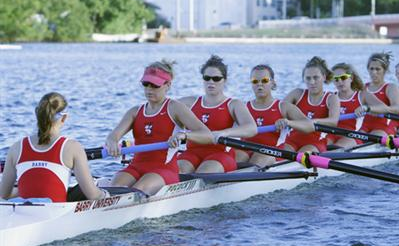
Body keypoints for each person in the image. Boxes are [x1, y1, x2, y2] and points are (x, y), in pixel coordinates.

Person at [105, 61, 213, 195]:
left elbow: (207, 135)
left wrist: (184, 135)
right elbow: (113, 136)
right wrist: (112, 143)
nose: (149, 89)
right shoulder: (134, 111)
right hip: (135, 167)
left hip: (164, 170)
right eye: (146, 84)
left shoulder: (175, 108)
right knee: (113, 190)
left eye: (155, 85)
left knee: (138, 191)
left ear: (168, 85)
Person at [0, 92, 107, 203]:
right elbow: (93, 195)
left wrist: (26, 188)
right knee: (100, 184)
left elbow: (3, 194)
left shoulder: (16, 148)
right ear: (64, 118)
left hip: (22, 213)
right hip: (55, 214)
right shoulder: (73, 147)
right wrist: (106, 195)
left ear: (37, 114)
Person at [178, 55, 257, 173]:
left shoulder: (233, 104)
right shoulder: (188, 103)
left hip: (221, 154)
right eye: (207, 78)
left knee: (203, 172)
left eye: (216, 78)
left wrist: (224, 132)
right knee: (179, 171)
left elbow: (252, 128)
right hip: (191, 153)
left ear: (224, 80)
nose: (211, 82)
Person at [235, 64, 306, 167]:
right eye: (255, 81)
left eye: (264, 80)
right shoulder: (243, 107)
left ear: (272, 83)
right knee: (236, 156)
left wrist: (289, 122)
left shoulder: (284, 107)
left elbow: (309, 125)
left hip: (273, 153)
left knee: (259, 158)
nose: (260, 84)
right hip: (246, 149)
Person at [282, 56, 340, 153]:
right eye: (308, 78)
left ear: (324, 77)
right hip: (291, 140)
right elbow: (278, 110)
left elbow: (333, 122)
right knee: (279, 156)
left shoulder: (331, 98)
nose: (312, 82)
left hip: (315, 143)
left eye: (316, 77)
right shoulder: (297, 94)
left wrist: (310, 122)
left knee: (303, 155)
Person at [328, 63, 391, 148]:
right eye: (336, 79)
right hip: (331, 134)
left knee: (335, 148)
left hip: (352, 136)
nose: (339, 82)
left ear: (351, 78)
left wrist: (366, 108)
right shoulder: (330, 98)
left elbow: (385, 108)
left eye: (343, 78)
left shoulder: (362, 95)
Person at [359, 52, 399, 136]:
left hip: (384, 126)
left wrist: (370, 108)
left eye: (377, 69)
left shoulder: (391, 88)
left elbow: (396, 109)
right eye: (371, 69)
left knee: (374, 136)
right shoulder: (363, 88)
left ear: (385, 70)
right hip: (364, 126)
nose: (374, 72)